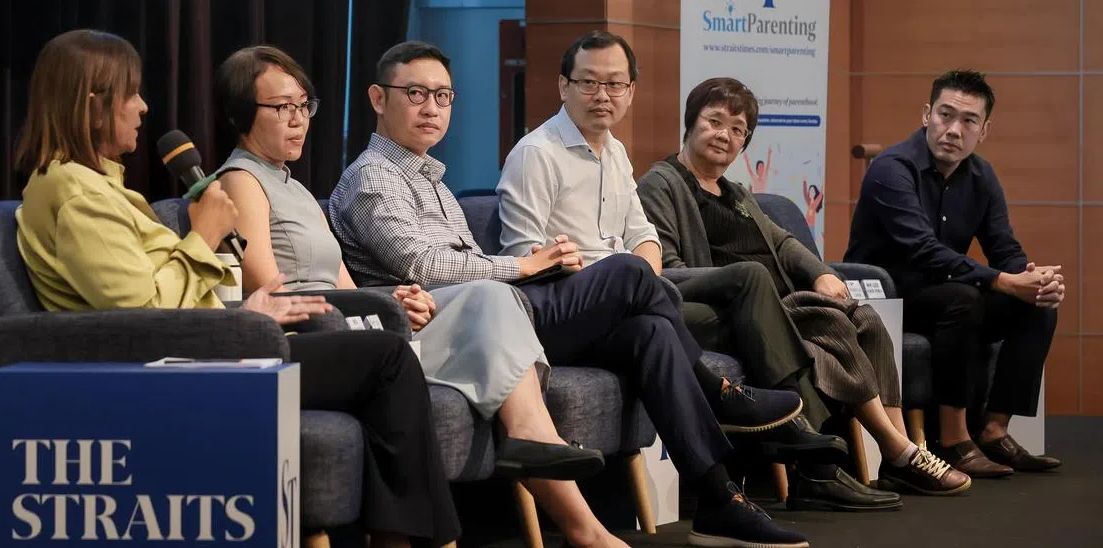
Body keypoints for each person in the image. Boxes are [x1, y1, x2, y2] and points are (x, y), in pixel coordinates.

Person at [329, 40, 812, 548]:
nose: (431, 108)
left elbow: (633, 233)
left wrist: (538, 269)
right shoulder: (372, 178)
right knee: (627, 273)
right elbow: (424, 266)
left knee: (648, 330)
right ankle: (715, 391)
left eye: (443, 96)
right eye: (416, 94)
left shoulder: (430, 178)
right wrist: (528, 264)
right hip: (463, 323)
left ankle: (718, 498)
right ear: (378, 99)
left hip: (506, 310)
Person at [13, 30, 458, 548]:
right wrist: (203, 237)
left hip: (211, 343)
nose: (143, 107)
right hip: (174, 366)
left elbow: (171, 292)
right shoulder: (73, 191)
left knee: (387, 358)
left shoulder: (103, 187)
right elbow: (140, 307)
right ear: (92, 105)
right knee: (386, 359)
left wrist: (247, 309)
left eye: (304, 105)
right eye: (130, 93)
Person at [212, 46, 625, 548]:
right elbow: (268, 290)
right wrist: (385, 305)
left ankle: (568, 496)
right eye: (281, 108)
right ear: (240, 113)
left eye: (304, 106)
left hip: (354, 325)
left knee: (494, 297)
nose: (298, 121)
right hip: (313, 336)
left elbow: (348, 286)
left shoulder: (293, 187)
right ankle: (561, 485)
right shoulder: (240, 180)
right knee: (491, 296)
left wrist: (391, 300)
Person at [637, 77, 970, 502]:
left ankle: (897, 460)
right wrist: (741, 279)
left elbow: (783, 242)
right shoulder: (662, 184)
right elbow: (669, 270)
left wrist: (819, 273)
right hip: (740, 309)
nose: (725, 135)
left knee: (864, 319)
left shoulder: (736, 192)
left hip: (784, 299)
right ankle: (890, 453)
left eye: (738, 129)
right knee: (831, 325)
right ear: (690, 123)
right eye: (714, 121)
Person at [845, 70, 1063, 477]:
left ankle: (995, 430)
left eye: (968, 121)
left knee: (1037, 308)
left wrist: (1032, 281)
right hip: (883, 296)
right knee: (964, 299)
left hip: (943, 290)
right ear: (927, 114)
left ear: (984, 130)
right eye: (946, 115)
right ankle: (955, 440)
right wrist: (1004, 281)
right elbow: (922, 251)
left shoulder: (982, 175)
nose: (953, 129)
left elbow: (1004, 246)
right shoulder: (892, 168)